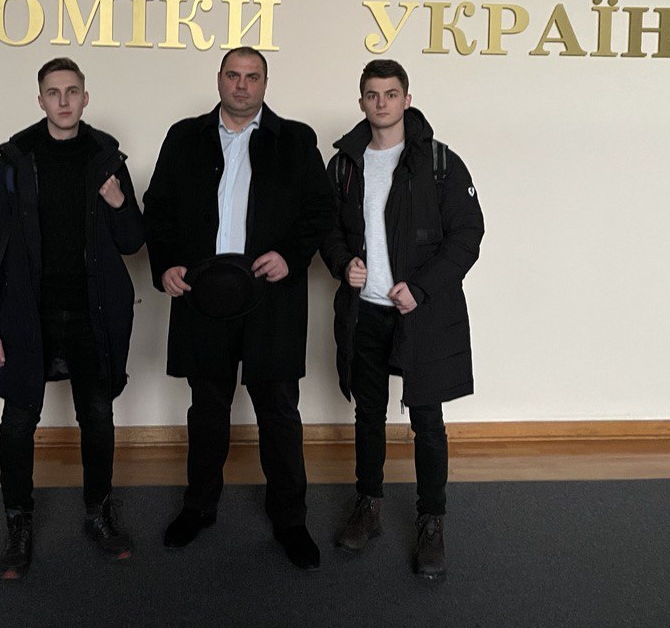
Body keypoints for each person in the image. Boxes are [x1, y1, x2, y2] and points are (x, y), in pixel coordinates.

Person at [143, 47, 335, 570]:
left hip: (271, 296)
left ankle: (290, 519)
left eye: (252, 77)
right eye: (233, 75)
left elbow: (320, 209)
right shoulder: (184, 137)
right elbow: (157, 209)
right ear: (219, 79)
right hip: (203, 295)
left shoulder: (295, 139)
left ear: (265, 83)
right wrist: (166, 263)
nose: (242, 85)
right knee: (207, 409)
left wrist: (291, 255)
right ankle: (199, 507)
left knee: (279, 411)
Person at [0, 57, 145, 579]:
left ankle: (99, 513)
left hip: (92, 310)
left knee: (98, 414)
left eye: (72, 91)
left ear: (85, 98)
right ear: (40, 100)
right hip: (28, 312)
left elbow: (133, 242)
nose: (63, 101)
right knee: (19, 419)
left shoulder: (107, 159)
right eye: (53, 92)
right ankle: (18, 523)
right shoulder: (13, 161)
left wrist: (118, 202)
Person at [319, 59, 484, 581]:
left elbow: (468, 235)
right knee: (368, 414)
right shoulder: (345, 164)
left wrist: (422, 287)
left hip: (422, 313)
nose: (382, 103)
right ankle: (368, 504)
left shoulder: (439, 162)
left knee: (427, 421)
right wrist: (342, 262)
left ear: (407, 100)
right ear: (361, 102)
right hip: (365, 312)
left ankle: (431, 521)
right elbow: (326, 229)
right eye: (372, 94)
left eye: (391, 94)